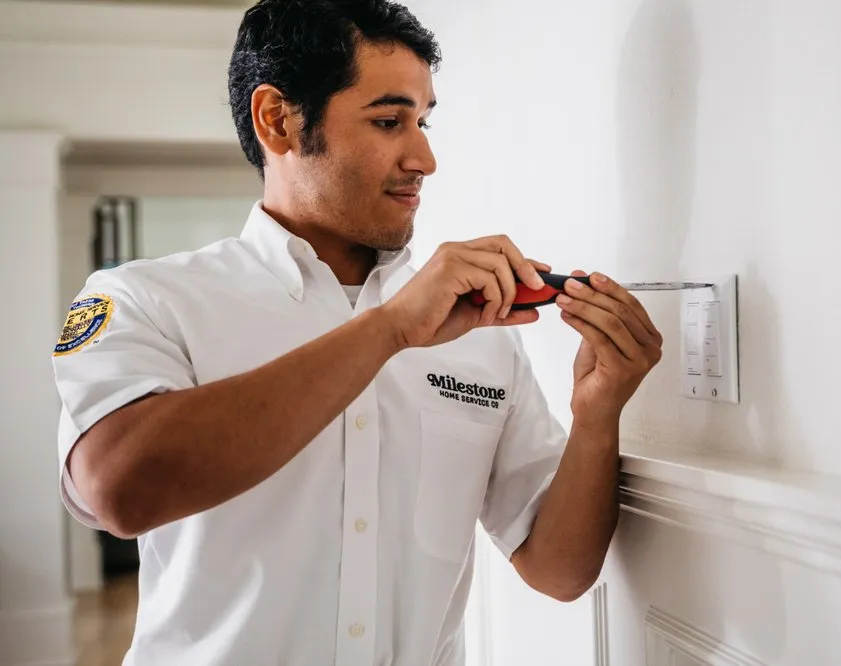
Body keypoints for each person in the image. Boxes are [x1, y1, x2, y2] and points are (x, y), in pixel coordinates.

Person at [51, 1, 663, 664]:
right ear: (278, 121)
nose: (424, 157)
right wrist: (391, 329)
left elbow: (559, 570)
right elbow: (119, 491)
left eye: (424, 122)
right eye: (389, 120)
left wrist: (598, 413)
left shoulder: (483, 335)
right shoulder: (143, 298)